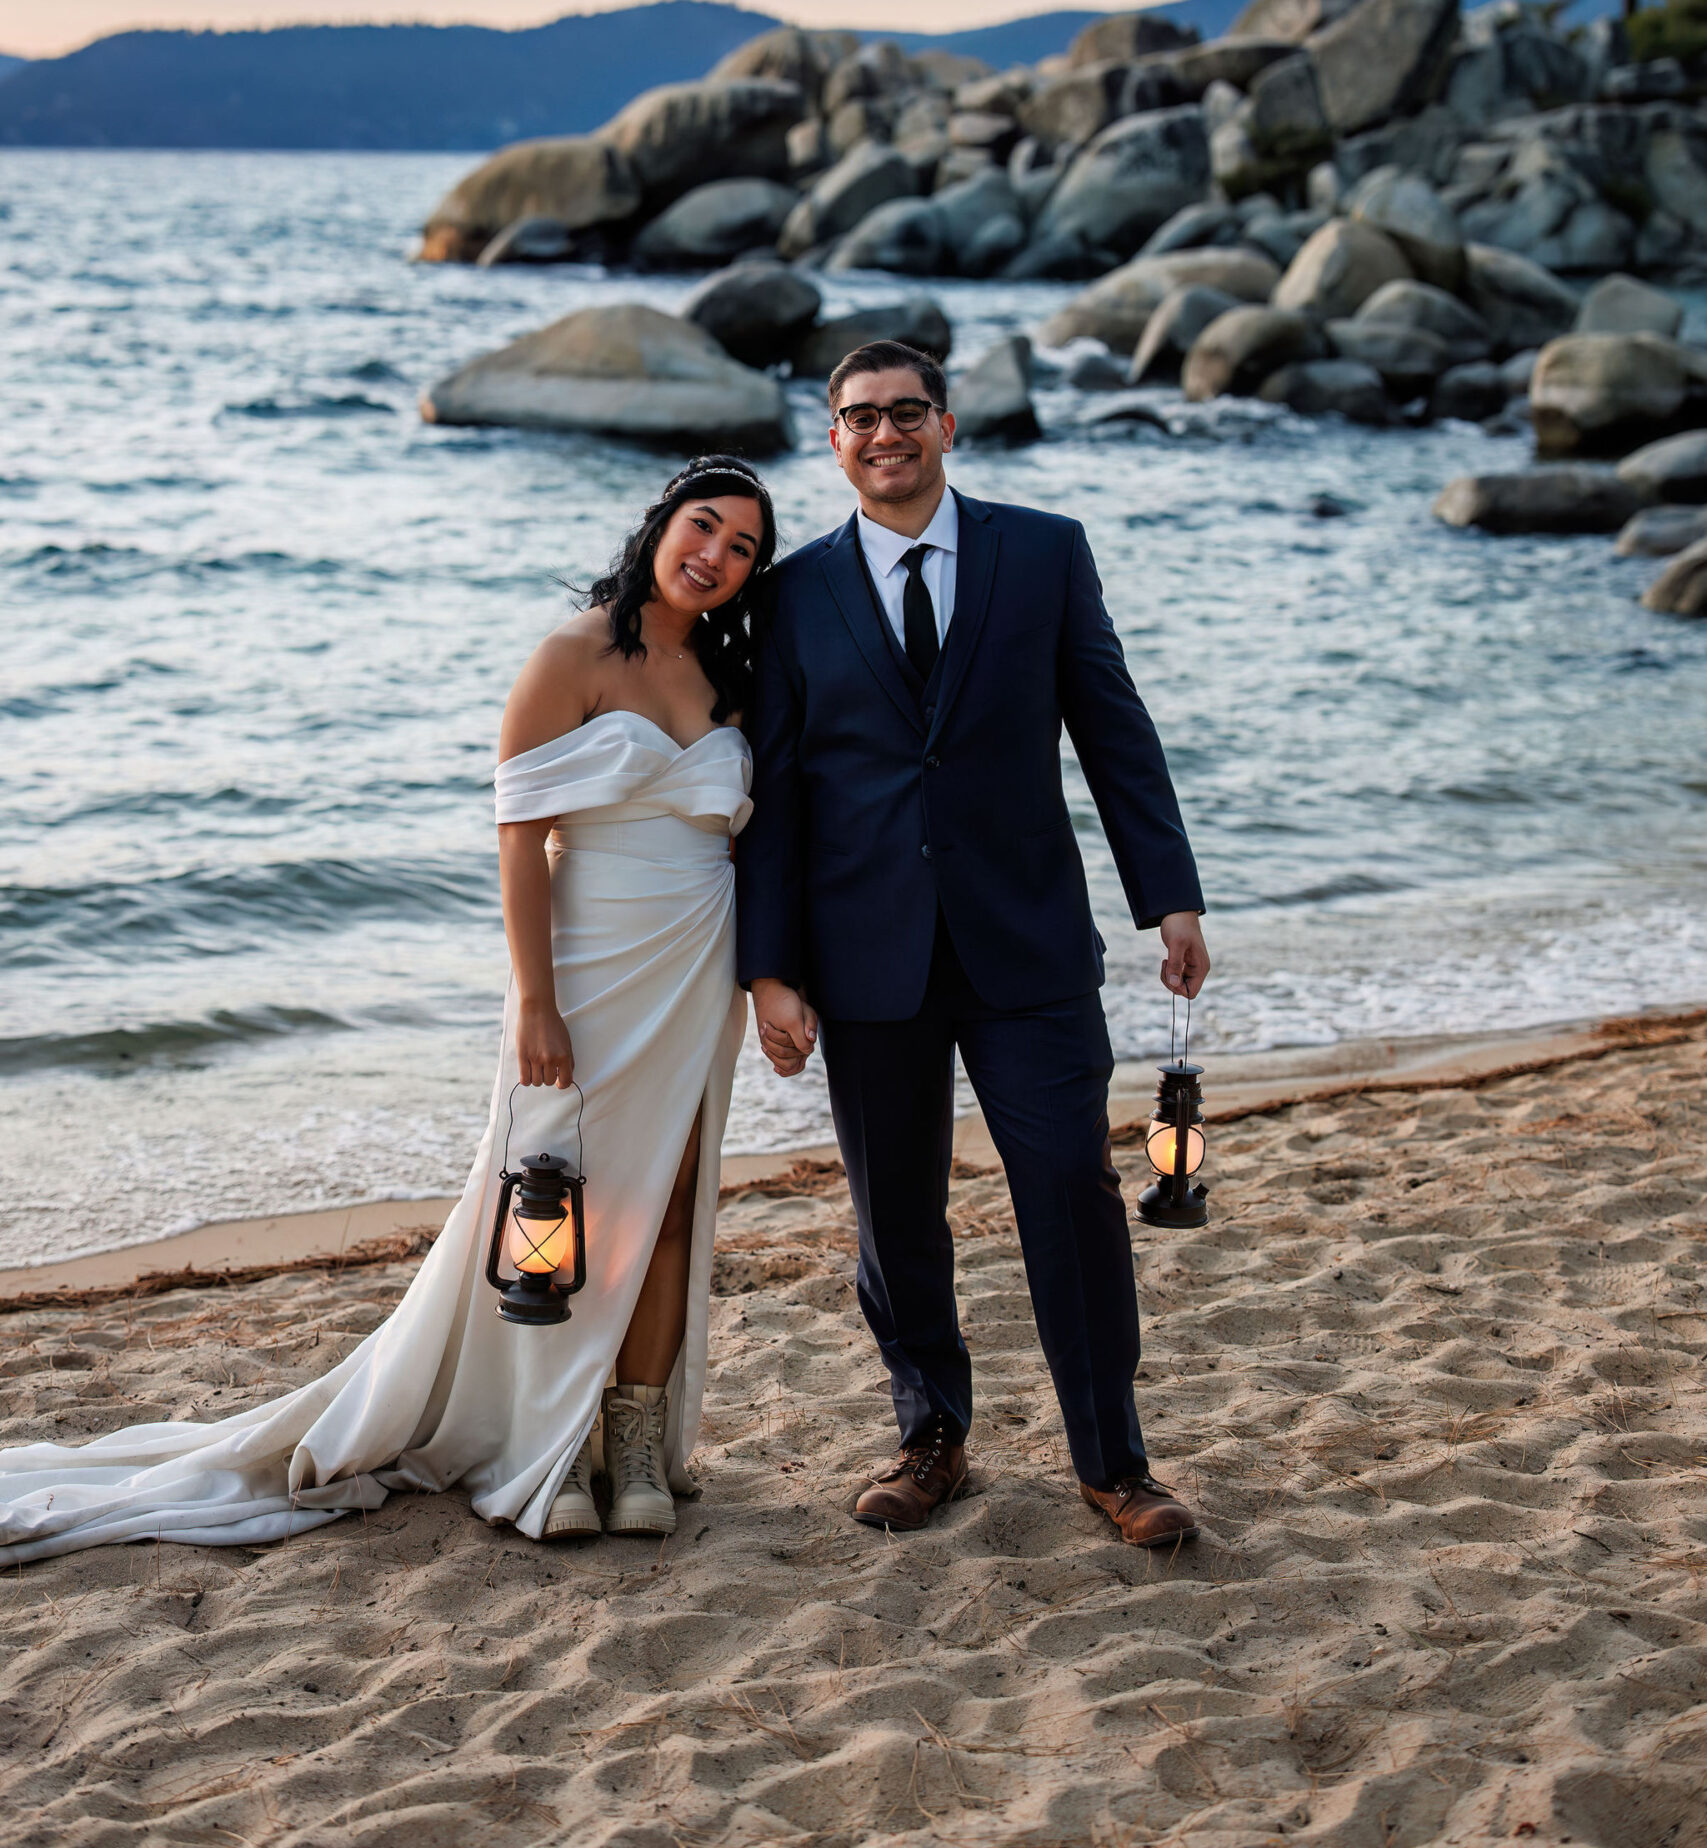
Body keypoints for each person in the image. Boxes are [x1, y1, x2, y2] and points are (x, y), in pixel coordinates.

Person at [0, 459, 773, 1564]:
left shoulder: (726, 676)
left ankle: (635, 1449)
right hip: (587, 970)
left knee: (675, 1207)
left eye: (744, 546)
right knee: (556, 1216)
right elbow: (519, 840)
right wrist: (536, 1002)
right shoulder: (572, 655)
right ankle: (540, 1442)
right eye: (705, 526)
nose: (716, 555)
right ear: (662, 524)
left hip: (695, 966)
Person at [738, 344, 1209, 1550]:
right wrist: (769, 966)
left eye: (906, 413)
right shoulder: (792, 594)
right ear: (832, 441)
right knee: (893, 1213)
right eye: (860, 419)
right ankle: (930, 1436)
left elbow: (1114, 724)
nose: (885, 434)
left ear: (947, 424)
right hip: (868, 954)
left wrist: (1171, 895)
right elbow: (779, 795)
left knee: (1071, 1189)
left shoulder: (1042, 550)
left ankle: (1115, 1462)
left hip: (1029, 944)